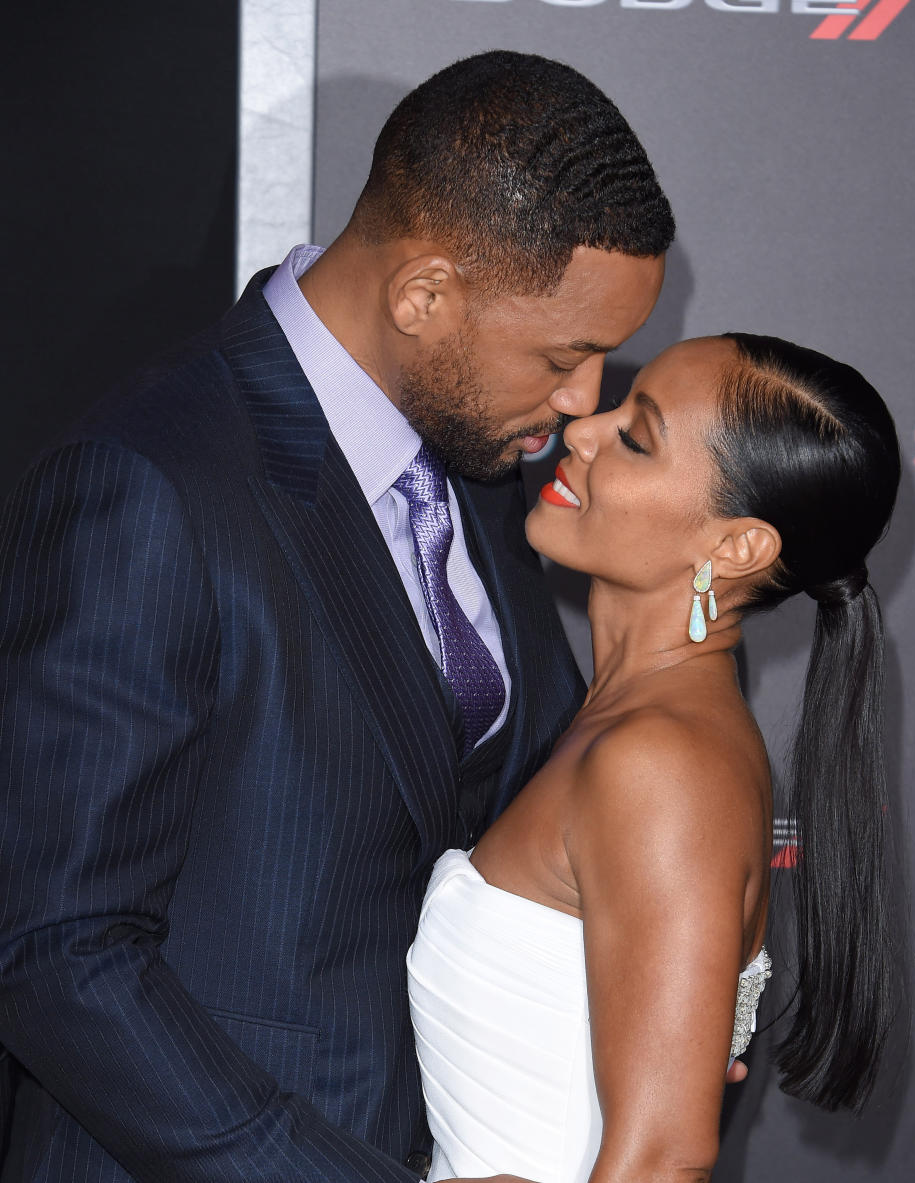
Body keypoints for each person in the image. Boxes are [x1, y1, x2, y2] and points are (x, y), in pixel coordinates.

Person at [0, 52, 674, 1183]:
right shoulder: (151, 481)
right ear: (424, 294)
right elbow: (55, 951)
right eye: (564, 358)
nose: (584, 404)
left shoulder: (483, 459)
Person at [407, 332, 901, 1183]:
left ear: (737, 546)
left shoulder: (663, 762)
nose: (585, 432)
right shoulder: (628, 721)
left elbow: (664, 1161)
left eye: (636, 437)